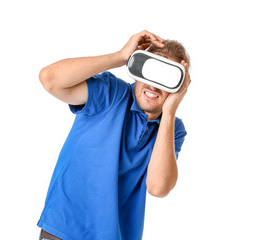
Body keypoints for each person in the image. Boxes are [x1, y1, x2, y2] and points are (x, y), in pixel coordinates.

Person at [37, 30, 191, 240]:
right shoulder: (112, 93)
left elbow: (158, 187)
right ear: (139, 70)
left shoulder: (172, 128)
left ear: (179, 87)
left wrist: (170, 111)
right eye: (152, 71)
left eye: (167, 78)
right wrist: (120, 57)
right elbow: (50, 79)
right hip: (65, 231)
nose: (154, 85)